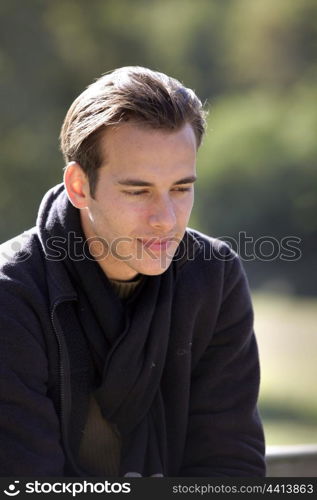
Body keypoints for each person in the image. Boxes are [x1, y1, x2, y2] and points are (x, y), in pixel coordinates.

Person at [0, 66, 265, 477]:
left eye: (180, 188)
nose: (165, 219)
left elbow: (230, 468)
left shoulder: (214, 277)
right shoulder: (12, 296)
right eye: (138, 191)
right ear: (79, 186)